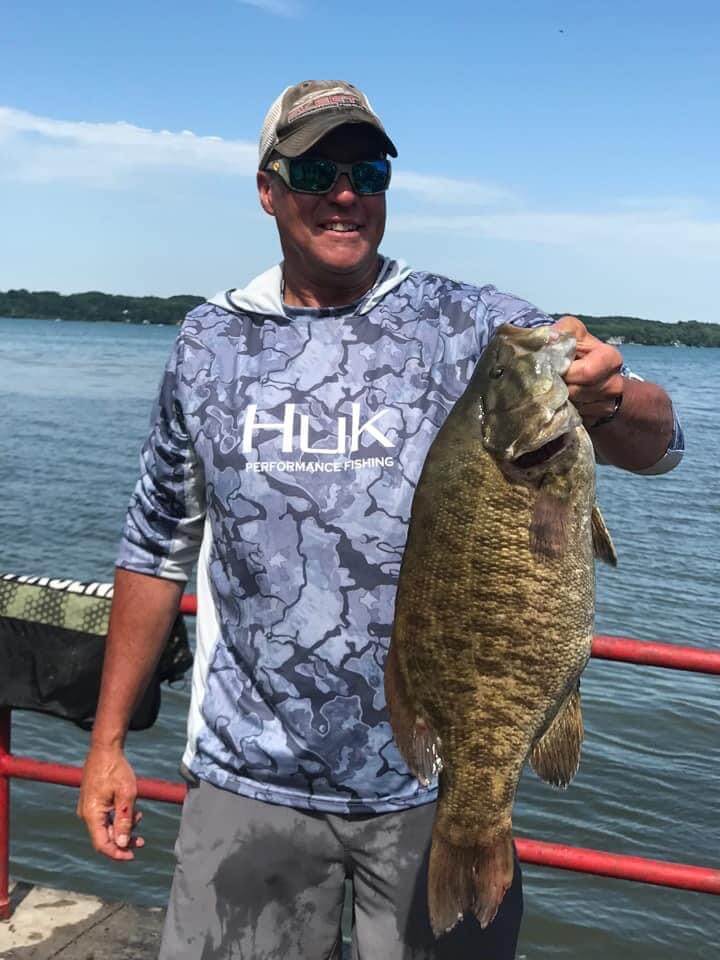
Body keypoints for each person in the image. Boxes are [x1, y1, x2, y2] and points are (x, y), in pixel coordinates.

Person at [77, 80, 684, 959]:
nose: (346, 192)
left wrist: (614, 393)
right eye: (316, 169)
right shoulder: (208, 342)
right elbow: (155, 546)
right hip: (248, 788)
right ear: (267, 187)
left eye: (367, 169)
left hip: (430, 787)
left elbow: (661, 444)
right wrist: (106, 744)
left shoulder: (469, 324)